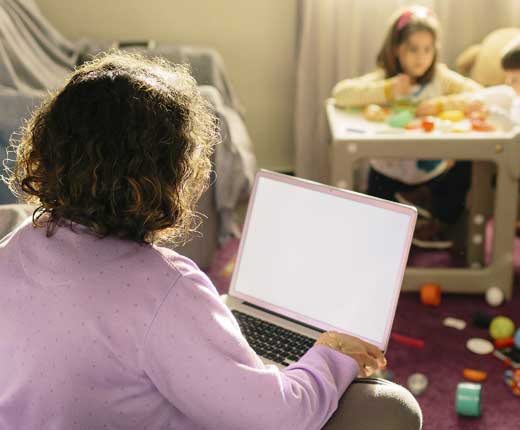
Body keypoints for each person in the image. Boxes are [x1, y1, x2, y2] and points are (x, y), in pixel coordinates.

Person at [0, 52, 421, 430]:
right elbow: (280, 418)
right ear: (172, 175)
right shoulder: (165, 286)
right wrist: (332, 354)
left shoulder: (15, 246)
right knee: (393, 407)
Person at [332, 6, 482, 250]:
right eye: (413, 49)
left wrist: (441, 104)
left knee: (466, 168)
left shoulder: (440, 79)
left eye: (427, 49)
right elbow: (341, 94)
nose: (421, 57)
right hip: (388, 174)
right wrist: (388, 90)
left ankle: (436, 218)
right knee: (377, 236)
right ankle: (406, 217)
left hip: (433, 175)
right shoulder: (385, 79)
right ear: (396, 50)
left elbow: (480, 94)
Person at [418, 29, 520, 239]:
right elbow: (507, 97)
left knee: (467, 168)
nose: (509, 83)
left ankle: (442, 221)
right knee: (462, 163)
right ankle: (434, 200)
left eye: (514, 79)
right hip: (515, 162)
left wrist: (496, 115)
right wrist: (478, 100)